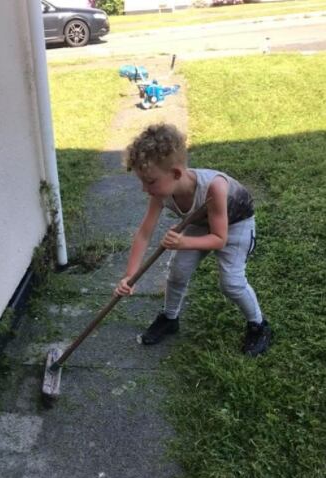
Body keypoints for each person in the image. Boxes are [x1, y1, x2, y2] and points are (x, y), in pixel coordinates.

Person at [114, 123, 271, 356]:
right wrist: (130, 275)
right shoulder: (161, 192)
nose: (145, 189)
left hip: (236, 224)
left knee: (232, 282)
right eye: (143, 182)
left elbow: (219, 239)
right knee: (178, 271)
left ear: (176, 173)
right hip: (199, 222)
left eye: (150, 181)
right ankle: (170, 318)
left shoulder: (214, 188)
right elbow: (144, 232)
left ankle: (259, 325)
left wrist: (183, 243)